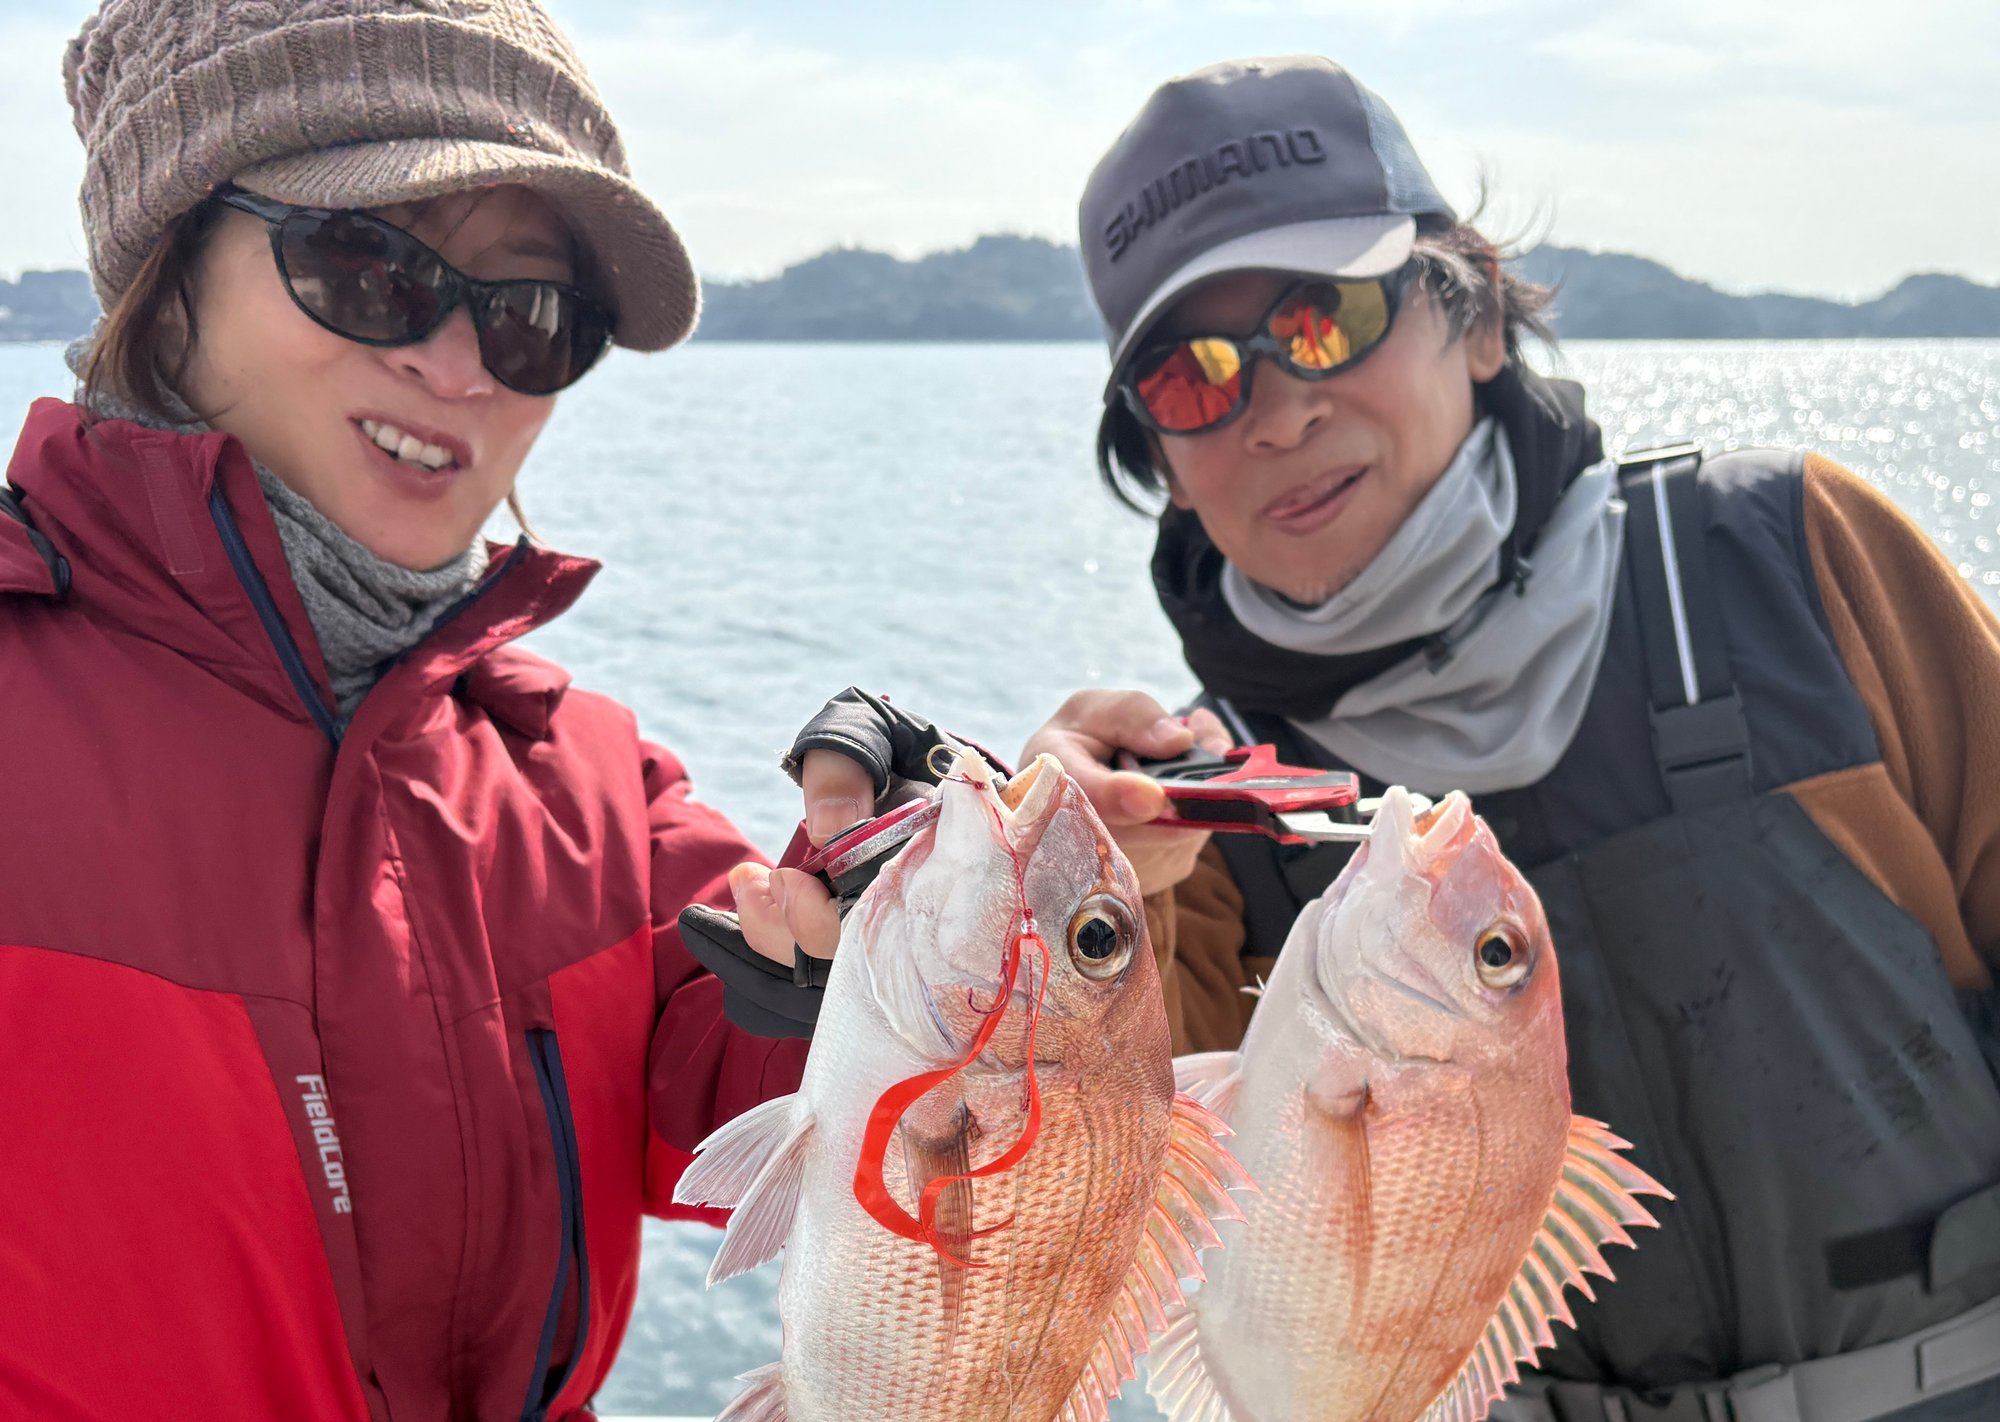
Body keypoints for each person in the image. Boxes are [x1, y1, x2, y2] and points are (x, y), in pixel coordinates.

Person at [1021, 56, 2000, 1422]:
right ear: (1158, 453)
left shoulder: (1788, 559)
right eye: (1194, 382)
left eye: (1326, 320)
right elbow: (1077, 1230)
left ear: (1473, 314)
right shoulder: (1195, 824)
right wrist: (1047, 893)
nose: (1280, 412)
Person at [0, 2, 848, 1417]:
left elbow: (777, 1110)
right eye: (367, 266)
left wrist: (935, 891)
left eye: (529, 317)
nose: (458, 367)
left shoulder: (592, 779)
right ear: (168, 266)